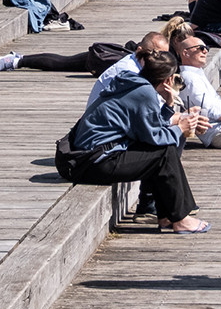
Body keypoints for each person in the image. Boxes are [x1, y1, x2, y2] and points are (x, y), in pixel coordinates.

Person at [65, 46, 210, 233]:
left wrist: (168, 105)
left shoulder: (132, 82)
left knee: (160, 150)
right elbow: (156, 137)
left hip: (90, 156)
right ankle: (180, 218)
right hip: (94, 161)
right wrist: (180, 129)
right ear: (168, 79)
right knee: (164, 152)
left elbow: (147, 128)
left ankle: (166, 216)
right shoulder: (144, 93)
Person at [0, 30, 169, 76]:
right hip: (104, 60)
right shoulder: (129, 65)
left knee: (63, 62)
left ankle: (20, 59)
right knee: (62, 63)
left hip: (106, 59)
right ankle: (18, 60)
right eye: (157, 53)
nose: (162, 58)